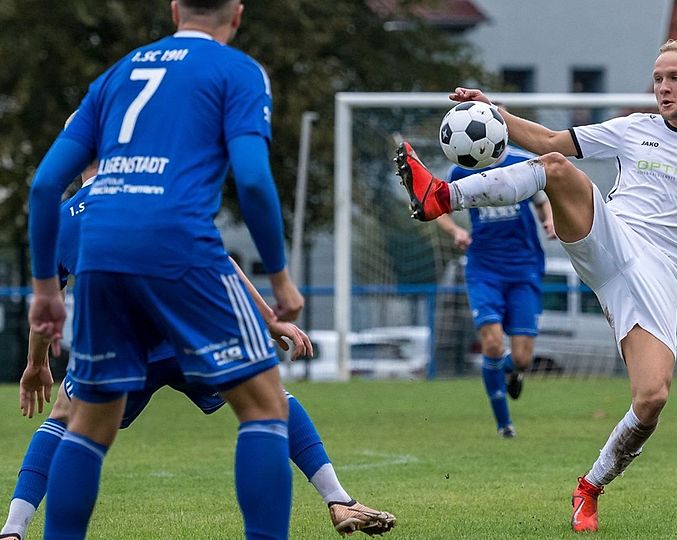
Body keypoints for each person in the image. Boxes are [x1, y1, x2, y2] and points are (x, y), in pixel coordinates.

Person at [394, 38, 677, 533]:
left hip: (659, 278)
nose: (663, 87)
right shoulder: (634, 129)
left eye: (674, 78)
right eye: (657, 78)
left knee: (651, 399)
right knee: (555, 169)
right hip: (611, 236)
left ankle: (589, 487)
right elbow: (550, 141)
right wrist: (495, 113)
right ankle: (442, 195)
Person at [25, 1, 304, 537]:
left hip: (101, 253)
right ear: (238, 15)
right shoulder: (237, 70)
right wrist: (279, 276)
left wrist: (44, 289)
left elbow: (42, 187)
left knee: (89, 423)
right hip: (180, 245)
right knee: (266, 405)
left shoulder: (117, 74)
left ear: (175, 9)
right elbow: (250, 179)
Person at [4, 162, 396, 539]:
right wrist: (269, 319)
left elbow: (46, 308)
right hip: (188, 331)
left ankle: (13, 529)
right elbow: (218, 260)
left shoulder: (58, 219)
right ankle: (339, 500)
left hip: (117, 342)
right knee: (271, 400)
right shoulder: (160, 189)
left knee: (61, 419)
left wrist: (36, 363)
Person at [434, 141, 556, 439]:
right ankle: (504, 425)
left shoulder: (524, 161)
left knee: (524, 358)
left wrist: (550, 221)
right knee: (491, 344)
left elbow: (542, 200)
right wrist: (456, 231)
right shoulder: (461, 167)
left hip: (524, 266)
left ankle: (513, 370)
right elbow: (436, 207)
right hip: (483, 268)